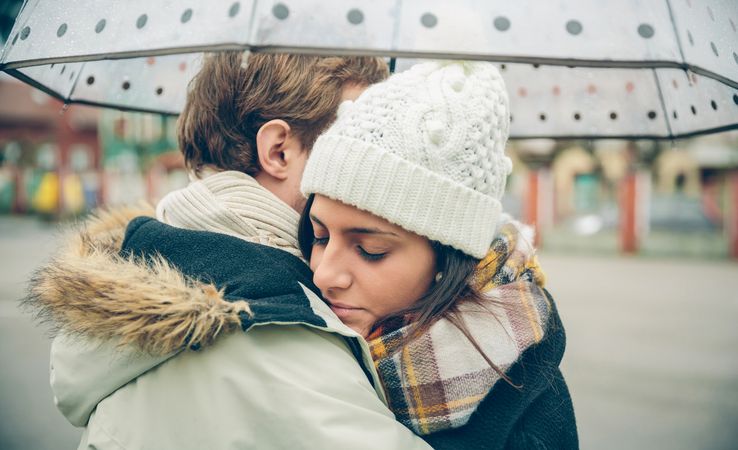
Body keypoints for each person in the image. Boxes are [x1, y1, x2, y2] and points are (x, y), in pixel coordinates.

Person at [26, 51, 434, 449]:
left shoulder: (157, 257)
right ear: (279, 151)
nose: (380, 156)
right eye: (357, 134)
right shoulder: (278, 337)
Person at [297, 60, 578, 448]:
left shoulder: (527, 421)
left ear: (449, 261)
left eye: (370, 250)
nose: (324, 275)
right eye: (320, 236)